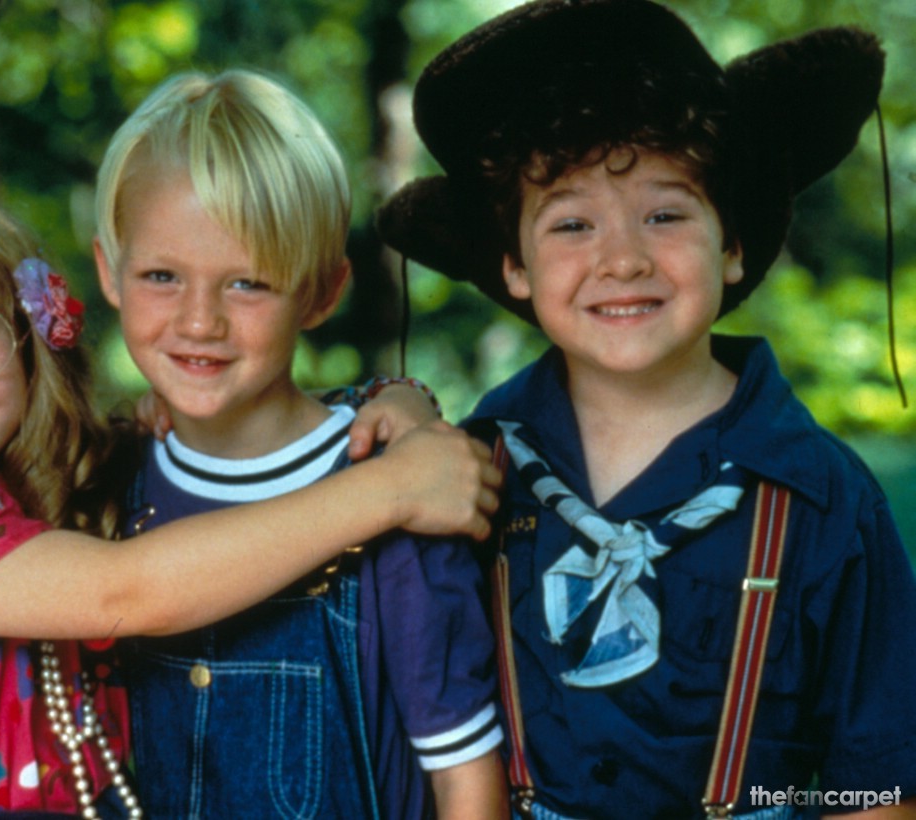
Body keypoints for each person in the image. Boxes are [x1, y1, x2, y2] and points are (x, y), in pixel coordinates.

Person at [0, 172, 503, 819]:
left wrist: (391, 400)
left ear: (26, 332)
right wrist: (388, 489)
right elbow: (126, 592)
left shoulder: (25, 481)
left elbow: (274, 431)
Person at [375, 0, 916, 817]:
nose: (622, 257)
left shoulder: (822, 498)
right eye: (570, 223)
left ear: (731, 242)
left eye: (664, 214)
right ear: (512, 266)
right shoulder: (464, 473)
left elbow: (876, 784)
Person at [92, 69, 505, 820]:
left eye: (247, 283)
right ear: (108, 272)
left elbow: (464, 781)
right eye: (161, 276)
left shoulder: (400, 486)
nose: (198, 321)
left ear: (322, 291)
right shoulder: (106, 482)